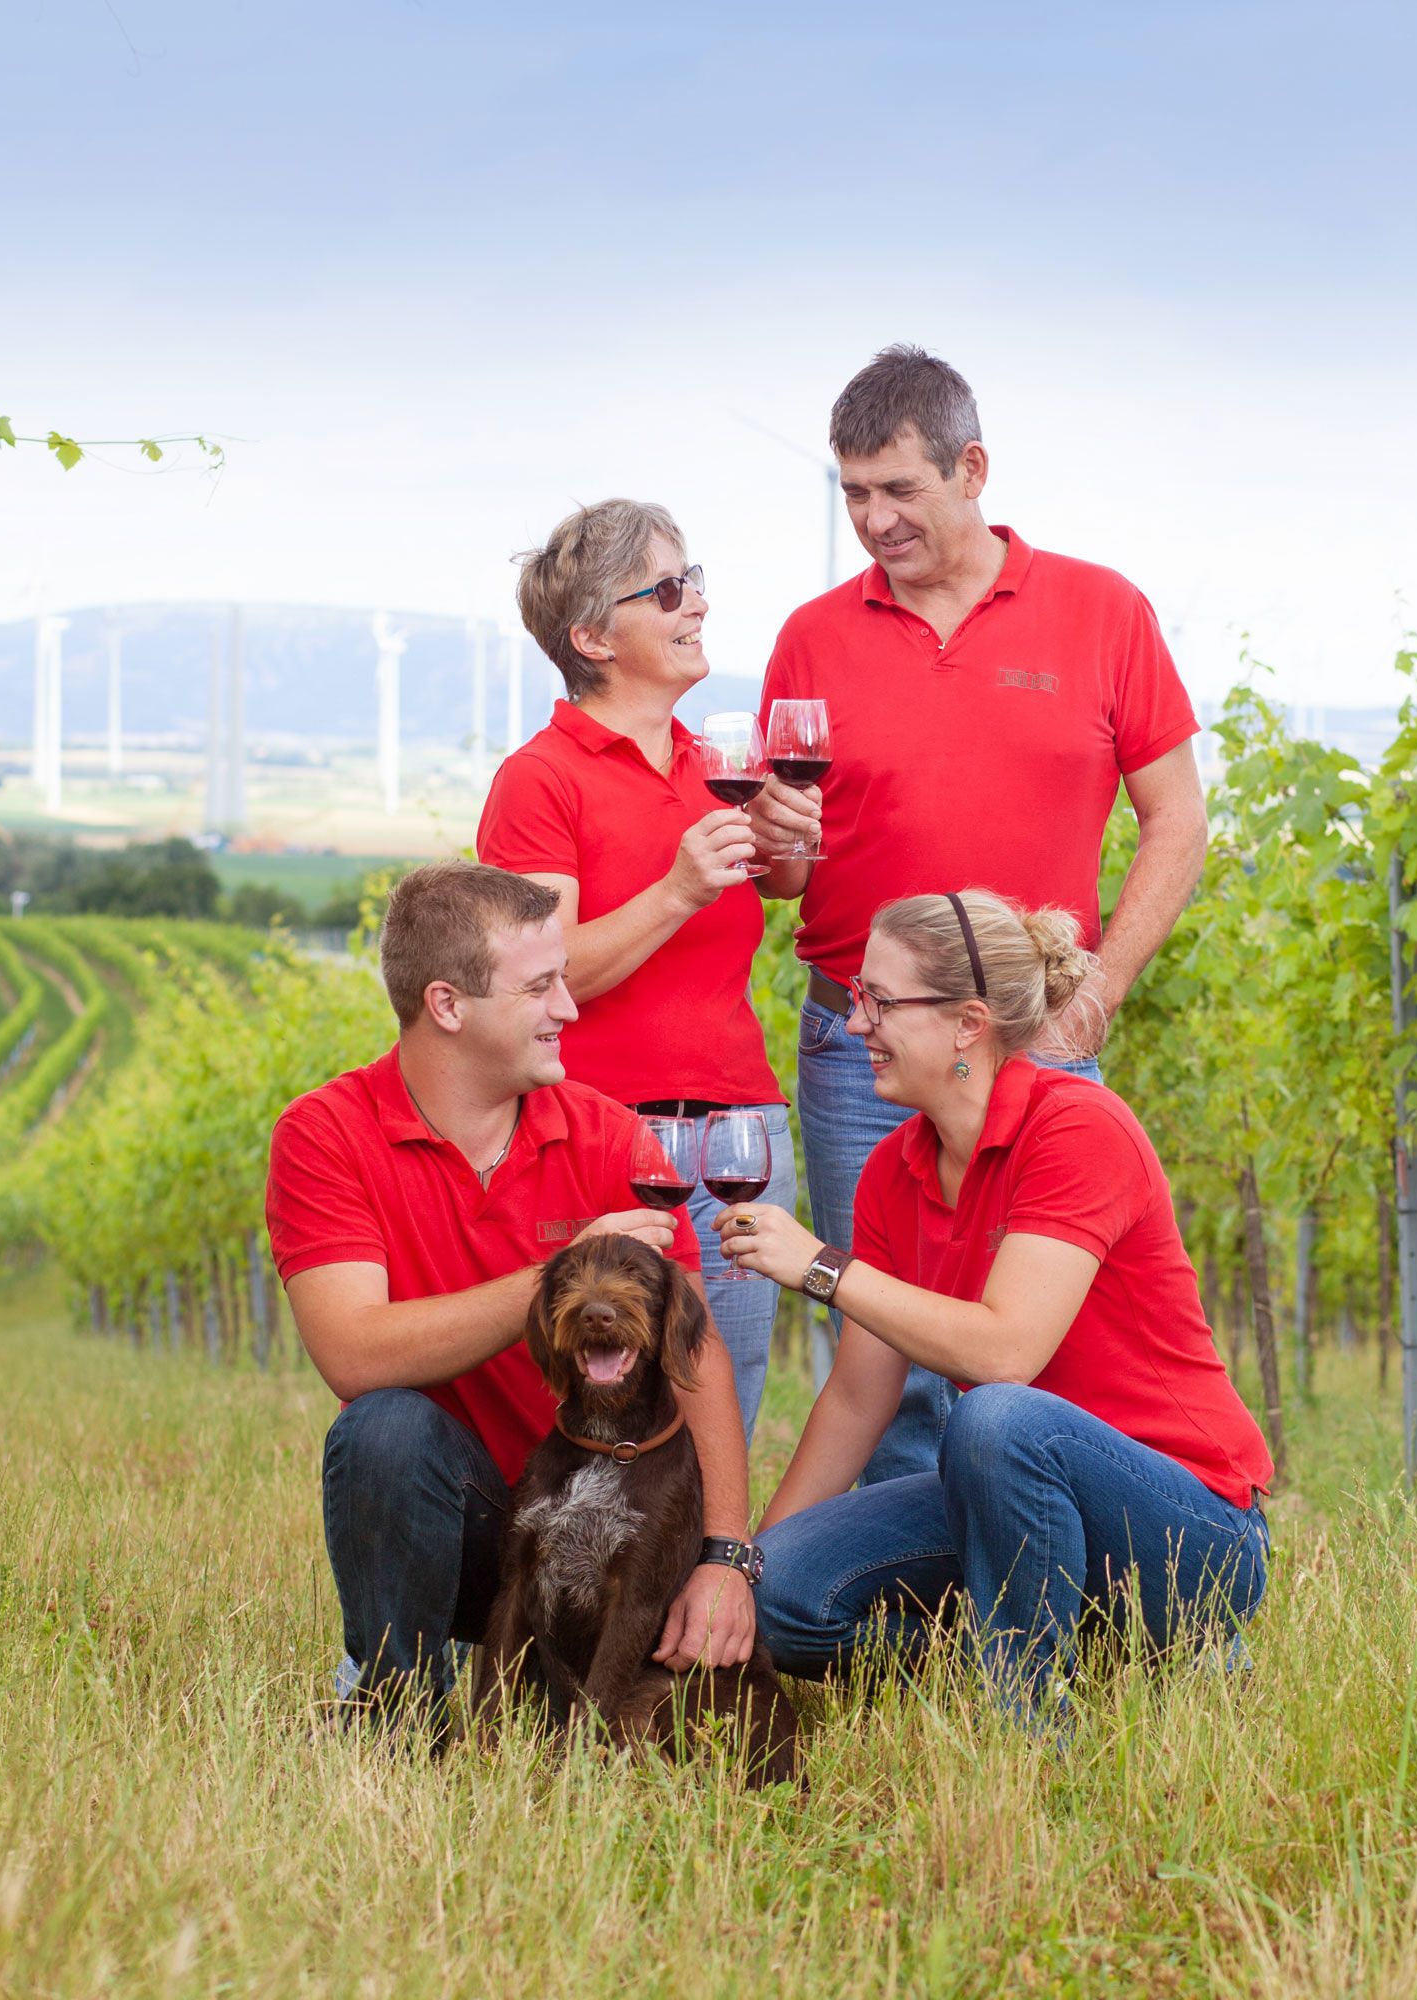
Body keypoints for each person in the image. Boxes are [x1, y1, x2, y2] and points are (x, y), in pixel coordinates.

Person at [746, 345, 1209, 1483]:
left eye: (899, 488)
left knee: (1038, 1340)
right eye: (852, 493)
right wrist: (774, 849)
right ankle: (905, 1608)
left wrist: (1093, 995)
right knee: (884, 1337)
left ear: (973, 468)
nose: (874, 518)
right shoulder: (813, 634)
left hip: (1036, 1036)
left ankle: (1037, 1584)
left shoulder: (1102, 611)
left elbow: (1180, 822)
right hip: (866, 1041)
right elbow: (785, 873)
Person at [713, 889, 1270, 1713]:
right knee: (786, 1599)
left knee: (999, 1415)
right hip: (1007, 1493)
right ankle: (1051, 1652)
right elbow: (861, 1396)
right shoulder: (894, 1170)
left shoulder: (1078, 1130)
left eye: (880, 1001)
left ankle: (1031, 1722)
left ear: (969, 1024)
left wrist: (822, 1268)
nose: (857, 1023)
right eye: (859, 997)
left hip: (1188, 1529)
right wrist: (743, 1572)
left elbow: (1008, 1353)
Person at [266, 861, 762, 1718]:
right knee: (382, 1428)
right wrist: (552, 1277)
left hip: (614, 1535)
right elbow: (353, 1354)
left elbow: (694, 1352)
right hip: (466, 1522)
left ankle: (554, 1695)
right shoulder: (326, 1134)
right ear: (448, 1005)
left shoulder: (610, 1135)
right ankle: (398, 1705)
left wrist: (725, 1557)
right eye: (540, 988)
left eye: (563, 981)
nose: (569, 1009)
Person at [476, 500, 796, 1436]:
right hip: (608, 1134)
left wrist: (795, 845)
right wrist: (676, 891)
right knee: (606, 1404)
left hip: (741, 1131)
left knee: (719, 1396)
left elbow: (786, 887)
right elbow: (542, 971)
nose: (695, 603)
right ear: (591, 636)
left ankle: (716, 1579)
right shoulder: (540, 779)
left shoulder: (723, 763)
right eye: (666, 589)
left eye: (693, 580)